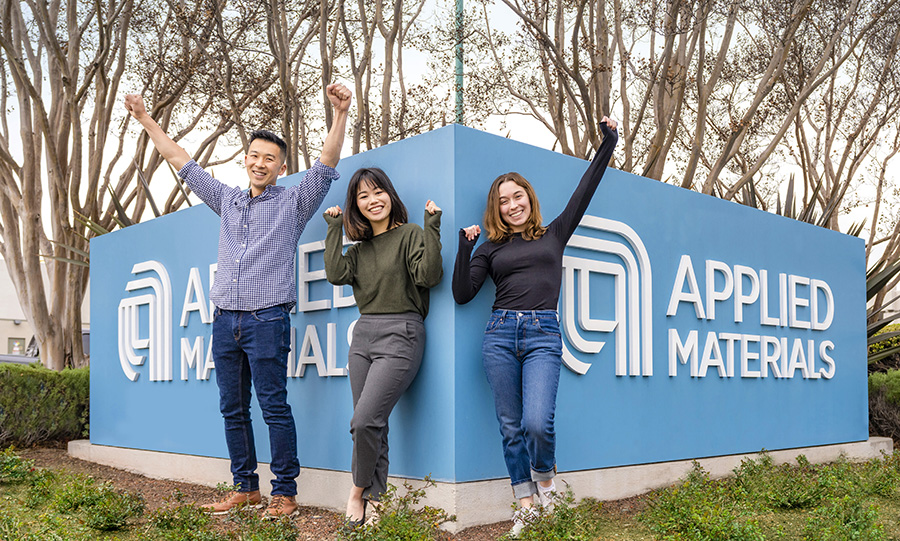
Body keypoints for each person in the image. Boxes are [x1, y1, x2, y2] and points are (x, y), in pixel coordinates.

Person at [124, 84, 352, 518]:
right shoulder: (227, 200)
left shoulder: (294, 202)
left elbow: (327, 162)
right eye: (254, 156)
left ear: (281, 167)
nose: (260, 163)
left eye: (270, 158)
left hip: (267, 320)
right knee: (232, 407)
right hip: (224, 320)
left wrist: (339, 113)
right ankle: (245, 487)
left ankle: (284, 491)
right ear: (245, 159)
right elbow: (182, 162)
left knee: (273, 406)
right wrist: (144, 119)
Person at [452, 117, 618, 536]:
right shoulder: (489, 248)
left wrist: (608, 142)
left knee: (536, 422)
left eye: (517, 196)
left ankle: (545, 482)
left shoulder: (554, 233)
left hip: (544, 333)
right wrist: (464, 248)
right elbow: (462, 294)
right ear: (496, 208)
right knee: (510, 426)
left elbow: (586, 188)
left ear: (529, 198)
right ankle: (524, 502)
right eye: (503, 200)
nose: (512, 205)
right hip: (499, 336)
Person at [322, 168, 442, 527]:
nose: (372, 200)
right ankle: (377, 500)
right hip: (363, 336)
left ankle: (357, 492)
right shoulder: (358, 252)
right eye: (363, 196)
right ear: (355, 206)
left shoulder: (409, 234)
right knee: (374, 424)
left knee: (363, 421)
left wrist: (432, 225)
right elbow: (335, 273)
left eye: (378, 192)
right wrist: (333, 228)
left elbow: (429, 276)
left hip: (401, 332)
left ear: (390, 195)